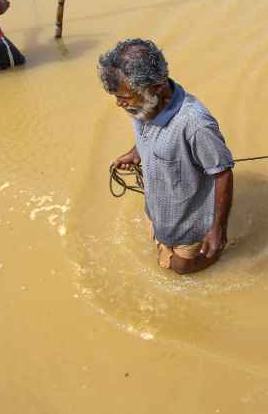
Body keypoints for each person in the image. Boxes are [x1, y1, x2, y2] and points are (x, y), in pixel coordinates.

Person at [98, 39, 234, 275]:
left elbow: (223, 173)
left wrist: (218, 228)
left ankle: (218, 250)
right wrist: (135, 152)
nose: (119, 103)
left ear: (158, 87)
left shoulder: (195, 125)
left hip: (190, 218)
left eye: (125, 97)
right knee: (156, 238)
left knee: (182, 268)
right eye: (116, 96)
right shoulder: (142, 105)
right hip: (159, 204)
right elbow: (146, 132)